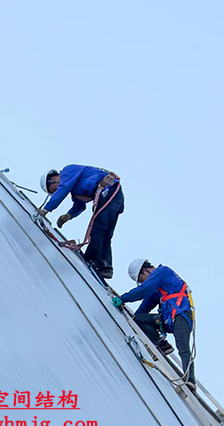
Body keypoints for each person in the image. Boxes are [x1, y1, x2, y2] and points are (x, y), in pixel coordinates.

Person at [113, 259, 196, 387]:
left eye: (142, 280)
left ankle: (190, 380)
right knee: (138, 319)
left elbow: (144, 290)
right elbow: (146, 305)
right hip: (168, 319)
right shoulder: (158, 288)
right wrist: (130, 318)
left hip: (181, 314)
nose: (144, 283)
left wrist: (122, 298)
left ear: (145, 271)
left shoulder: (162, 271)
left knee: (183, 346)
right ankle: (162, 344)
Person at [38, 165, 123, 279]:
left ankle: (91, 258)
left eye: (54, 189)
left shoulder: (68, 171)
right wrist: (69, 215)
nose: (57, 191)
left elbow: (63, 189)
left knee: (98, 228)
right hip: (113, 194)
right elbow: (80, 206)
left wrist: (45, 210)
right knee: (105, 233)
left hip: (109, 191)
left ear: (53, 179)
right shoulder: (75, 186)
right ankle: (105, 267)